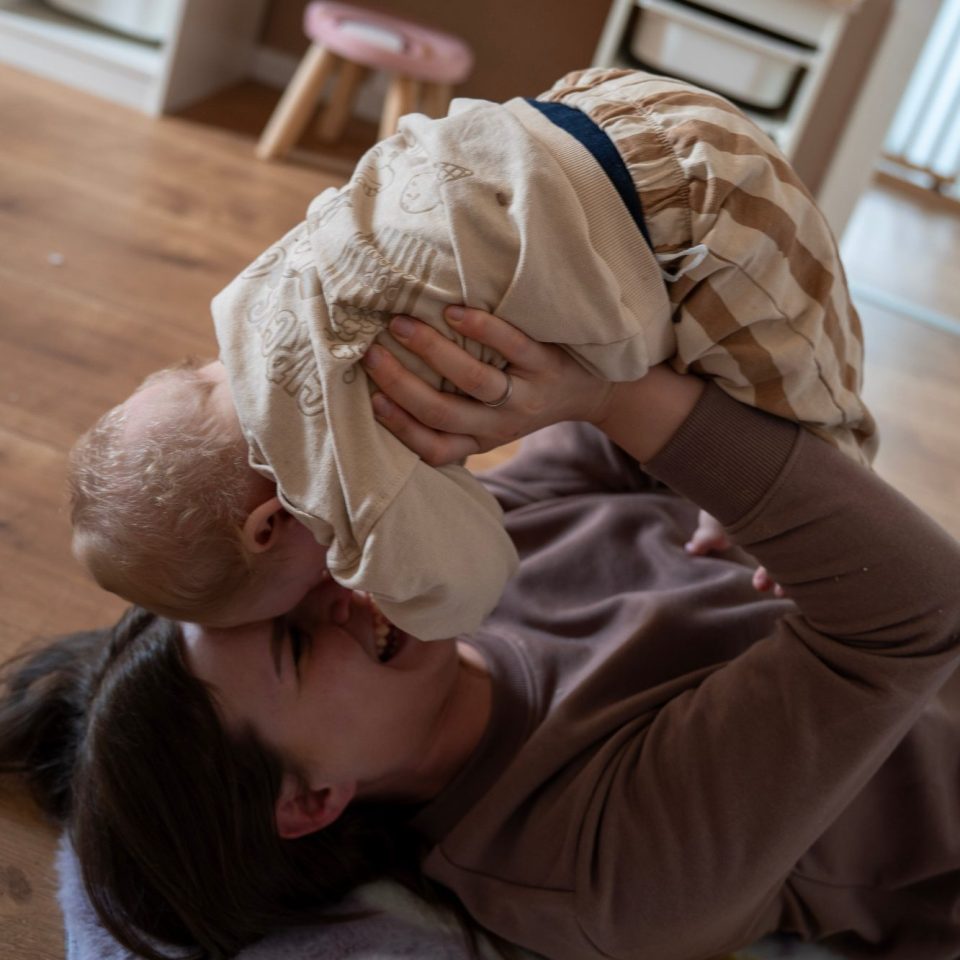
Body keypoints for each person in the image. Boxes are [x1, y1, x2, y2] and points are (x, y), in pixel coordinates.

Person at [4, 309, 959, 960]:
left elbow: (623, 404)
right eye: (296, 648)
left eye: (289, 596)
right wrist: (629, 409)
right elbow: (918, 613)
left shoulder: (442, 568)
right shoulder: (590, 868)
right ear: (311, 801)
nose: (341, 590)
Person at [68, 66, 873, 640]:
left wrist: (389, 589)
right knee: (705, 360)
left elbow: (476, 579)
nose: (324, 591)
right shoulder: (246, 302)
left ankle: (823, 510)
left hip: (703, 214)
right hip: (592, 110)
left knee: (799, 382)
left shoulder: (339, 483)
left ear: (270, 527)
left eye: (297, 600)